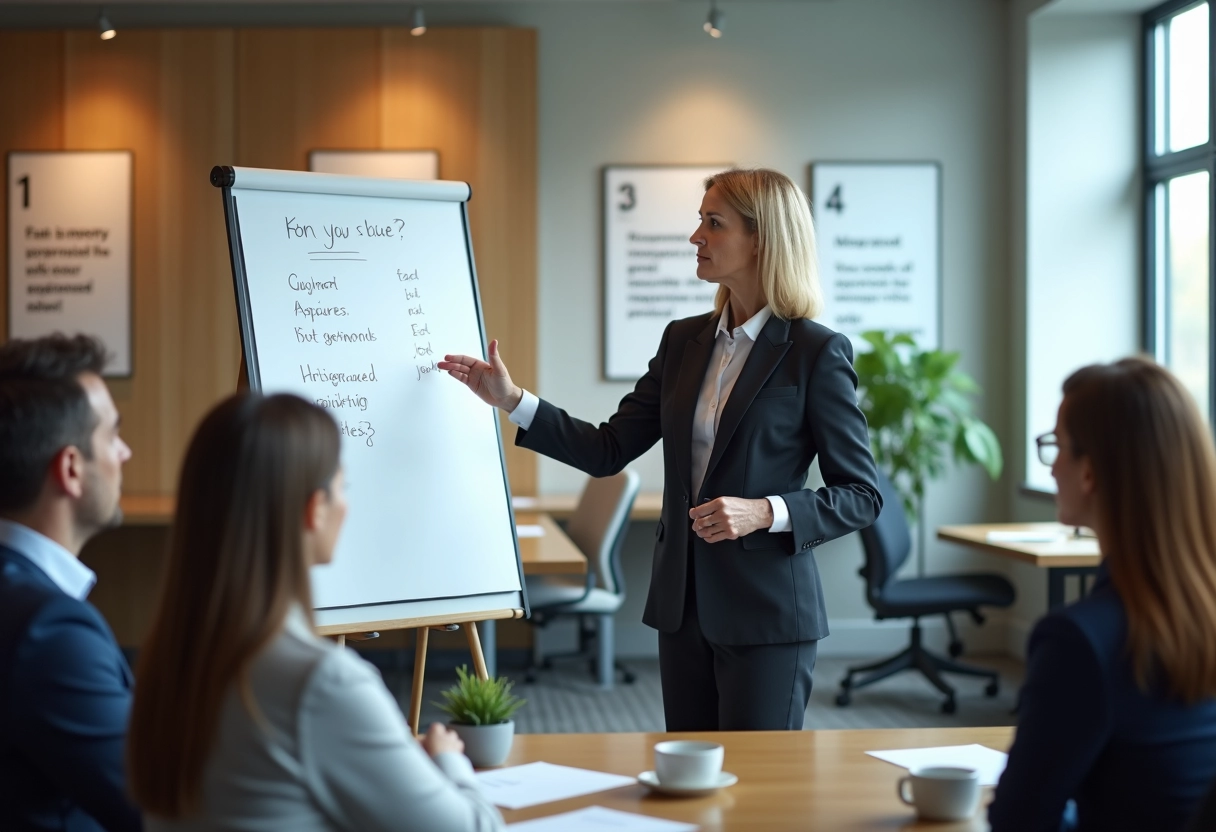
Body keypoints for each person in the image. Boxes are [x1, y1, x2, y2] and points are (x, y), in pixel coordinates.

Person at [439, 168, 881, 731]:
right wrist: (513, 400)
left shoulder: (814, 352)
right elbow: (608, 448)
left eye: (712, 223)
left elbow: (861, 495)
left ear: (761, 239)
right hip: (682, 607)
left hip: (767, 613)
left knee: (759, 794)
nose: (695, 237)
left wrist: (765, 512)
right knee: (689, 783)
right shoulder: (683, 342)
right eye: (699, 221)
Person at [126, 393, 503, 832]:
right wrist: (449, 761)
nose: (347, 504)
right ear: (313, 510)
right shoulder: (320, 684)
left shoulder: (171, 660)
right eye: (343, 487)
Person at [990, 357, 1216, 831]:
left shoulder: (1082, 641)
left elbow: (1018, 821)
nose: (1051, 469)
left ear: (1089, 472)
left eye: (1056, 447)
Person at [0, 334, 140, 832]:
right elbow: (166, 807)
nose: (124, 452)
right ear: (71, 468)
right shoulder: (49, 631)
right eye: (112, 436)